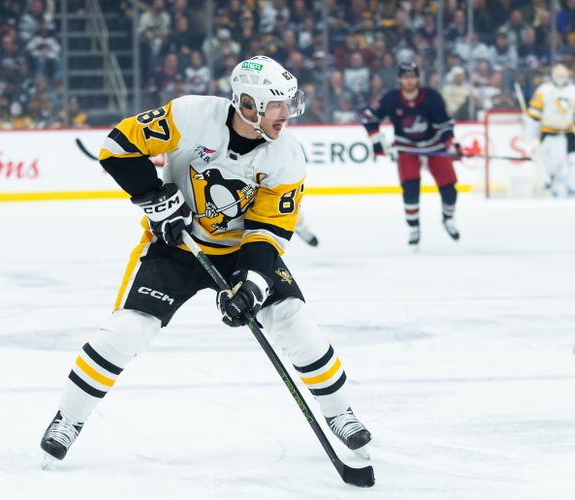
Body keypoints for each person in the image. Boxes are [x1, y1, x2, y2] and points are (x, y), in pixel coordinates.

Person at [40, 56, 372, 466]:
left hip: (239, 253)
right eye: (277, 105)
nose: (287, 114)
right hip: (177, 247)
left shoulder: (287, 155)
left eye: (289, 104)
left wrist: (252, 284)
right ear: (248, 106)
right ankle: (68, 419)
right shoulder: (190, 115)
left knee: (293, 318)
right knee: (128, 329)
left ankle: (340, 411)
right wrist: (155, 198)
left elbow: (268, 231)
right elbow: (116, 148)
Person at [362, 62, 462, 248]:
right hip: (407, 148)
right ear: (400, 79)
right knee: (410, 188)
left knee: (449, 189)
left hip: (434, 146)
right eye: (406, 77)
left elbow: (445, 125)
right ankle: (414, 227)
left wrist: (452, 143)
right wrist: (377, 142)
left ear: (418, 78)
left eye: (412, 77)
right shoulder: (391, 99)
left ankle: (448, 219)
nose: (409, 80)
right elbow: (369, 118)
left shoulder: (432, 97)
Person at [525, 64, 575, 196]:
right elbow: (534, 113)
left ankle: (573, 183)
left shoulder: (574, 91)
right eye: (558, 76)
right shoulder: (544, 90)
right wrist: (530, 130)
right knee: (551, 160)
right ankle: (549, 183)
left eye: (563, 76)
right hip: (549, 131)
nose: (560, 78)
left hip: (568, 131)